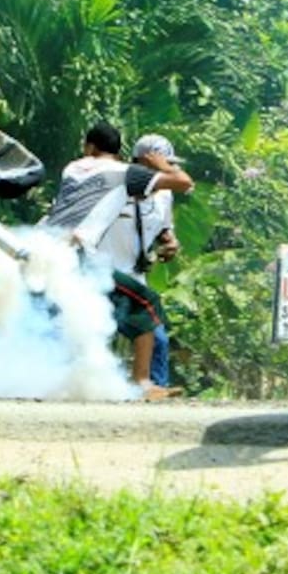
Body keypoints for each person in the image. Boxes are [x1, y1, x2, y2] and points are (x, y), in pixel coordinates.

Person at [42, 122, 193, 399]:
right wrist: (163, 167)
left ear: (89, 147)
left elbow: (161, 226)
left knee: (67, 322)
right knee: (146, 307)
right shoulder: (125, 175)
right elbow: (185, 182)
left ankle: (141, 384)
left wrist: (168, 241)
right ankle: (142, 384)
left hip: (59, 252)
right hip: (90, 262)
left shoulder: (73, 168)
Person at [97, 133, 186, 391]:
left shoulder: (164, 196)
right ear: (144, 163)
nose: (171, 170)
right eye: (163, 163)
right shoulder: (116, 187)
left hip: (135, 278)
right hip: (104, 274)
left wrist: (170, 243)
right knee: (92, 332)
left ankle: (155, 391)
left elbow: (162, 228)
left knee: (156, 338)